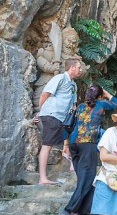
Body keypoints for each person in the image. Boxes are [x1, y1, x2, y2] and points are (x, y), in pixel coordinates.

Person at [65, 85, 117, 215]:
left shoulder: (80, 106)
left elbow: (69, 125)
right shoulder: (101, 103)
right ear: (100, 96)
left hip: (74, 143)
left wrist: (65, 145)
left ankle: (86, 208)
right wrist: (107, 94)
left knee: (84, 177)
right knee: (88, 176)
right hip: (87, 143)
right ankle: (73, 208)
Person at [35, 57, 86, 185]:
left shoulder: (73, 84)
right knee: (47, 145)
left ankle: (72, 166)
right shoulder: (60, 78)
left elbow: (73, 104)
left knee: (72, 139)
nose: (80, 70)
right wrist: (42, 110)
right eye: (79, 67)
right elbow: (45, 94)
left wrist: (75, 119)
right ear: (72, 67)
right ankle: (42, 178)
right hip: (52, 114)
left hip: (64, 118)